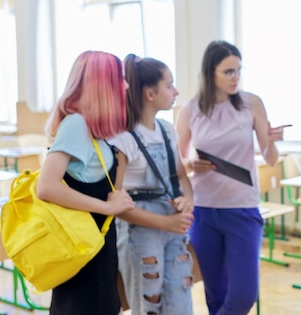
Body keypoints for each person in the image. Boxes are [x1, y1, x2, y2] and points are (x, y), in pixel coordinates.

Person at [175, 40, 287, 315]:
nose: (235, 77)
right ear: (210, 73)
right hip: (204, 211)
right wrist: (192, 164)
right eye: (228, 71)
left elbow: (270, 158)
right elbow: (176, 166)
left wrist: (272, 141)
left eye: (238, 70)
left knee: (243, 297)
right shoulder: (190, 111)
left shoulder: (252, 103)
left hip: (243, 210)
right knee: (216, 296)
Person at [36, 50, 135, 315]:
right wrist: (106, 208)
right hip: (84, 258)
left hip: (96, 253)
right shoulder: (76, 124)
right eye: (120, 79)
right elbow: (46, 187)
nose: (125, 86)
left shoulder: (91, 130)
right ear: (103, 85)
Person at [110, 54, 195, 315]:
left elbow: (180, 176)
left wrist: (187, 200)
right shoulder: (122, 138)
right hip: (141, 231)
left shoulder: (167, 129)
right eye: (170, 85)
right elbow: (115, 203)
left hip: (173, 225)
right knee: (147, 305)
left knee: (180, 301)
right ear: (150, 93)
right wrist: (165, 223)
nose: (176, 91)